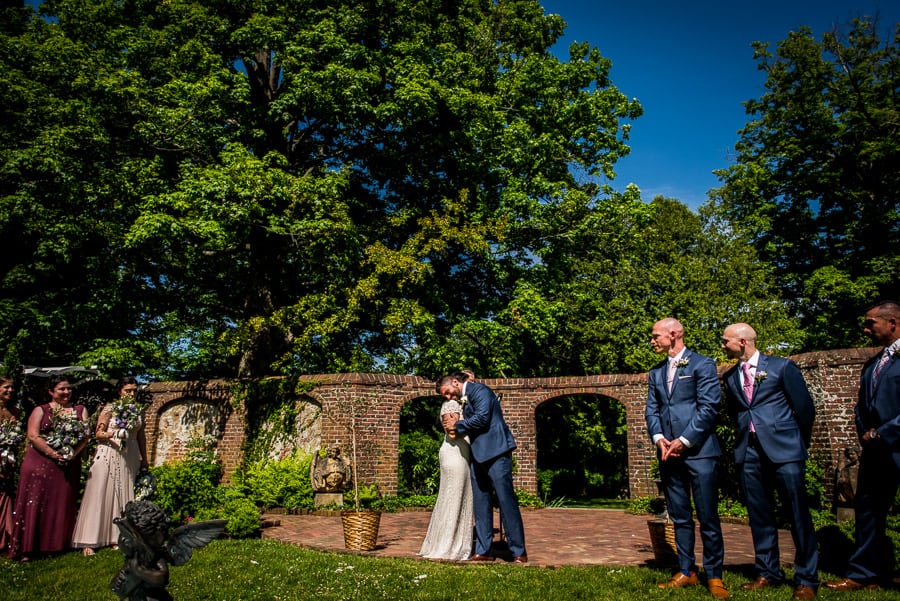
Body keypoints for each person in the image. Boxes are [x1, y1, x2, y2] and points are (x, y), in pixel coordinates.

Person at [721, 323, 818, 600]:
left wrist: (796, 444)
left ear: (742, 341)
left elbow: (805, 409)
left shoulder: (782, 367)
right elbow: (736, 412)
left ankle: (806, 579)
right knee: (759, 515)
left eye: (725, 341)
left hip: (785, 452)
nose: (722, 345)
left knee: (798, 515)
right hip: (749, 452)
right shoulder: (730, 377)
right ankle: (767, 572)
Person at [645, 318, 728, 599]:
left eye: (656, 336)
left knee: (708, 516)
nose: (653, 341)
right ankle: (686, 570)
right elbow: (651, 410)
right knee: (679, 515)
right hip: (668, 453)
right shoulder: (656, 373)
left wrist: (684, 440)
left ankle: (714, 575)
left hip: (699, 452)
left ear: (674, 334)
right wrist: (659, 439)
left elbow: (708, 407)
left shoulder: (702, 364)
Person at [825, 300, 900, 592]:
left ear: (892, 322)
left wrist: (885, 431)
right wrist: (865, 432)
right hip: (875, 451)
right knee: (868, 511)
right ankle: (864, 573)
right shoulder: (873, 363)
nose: (865, 328)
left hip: (894, 442)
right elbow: (861, 406)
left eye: (871, 323)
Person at [437, 371, 527, 563]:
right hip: (477, 455)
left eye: (447, 391)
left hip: (496, 452)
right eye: (444, 395)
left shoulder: (480, 390)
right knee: (481, 504)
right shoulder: (467, 396)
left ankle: (518, 551)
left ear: (455, 382)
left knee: (506, 501)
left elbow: (482, 418)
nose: (448, 397)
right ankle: (484, 550)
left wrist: (457, 426)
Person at [8, 375, 90, 560]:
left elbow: (85, 436)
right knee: (35, 502)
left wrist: (71, 454)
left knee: (62, 503)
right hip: (40, 462)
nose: (66, 392)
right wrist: (53, 454)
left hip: (68, 463)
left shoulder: (79, 410)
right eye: (61, 389)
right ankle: (28, 547)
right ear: (51, 392)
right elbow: (33, 436)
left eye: (68, 388)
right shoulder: (41, 410)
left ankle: (57, 544)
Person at [72, 376, 149, 556]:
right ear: (119, 391)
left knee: (123, 495)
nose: (132, 394)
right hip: (108, 453)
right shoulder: (109, 409)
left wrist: (144, 459)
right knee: (100, 494)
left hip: (129, 456)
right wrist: (113, 434)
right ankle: (90, 540)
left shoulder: (137, 411)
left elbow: (141, 436)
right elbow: (98, 433)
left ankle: (117, 536)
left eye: (134, 391)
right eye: (128, 390)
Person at [418, 390, 474, 560]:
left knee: (455, 498)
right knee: (453, 499)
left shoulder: (463, 406)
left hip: (460, 454)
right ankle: (447, 545)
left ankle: (451, 541)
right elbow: (452, 430)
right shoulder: (452, 406)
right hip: (455, 456)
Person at [0, 376, 22, 553]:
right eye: (6, 388)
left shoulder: (15, 411)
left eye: (12, 388)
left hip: (8, 460)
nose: (10, 391)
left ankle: (6, 537)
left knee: (6, 495)